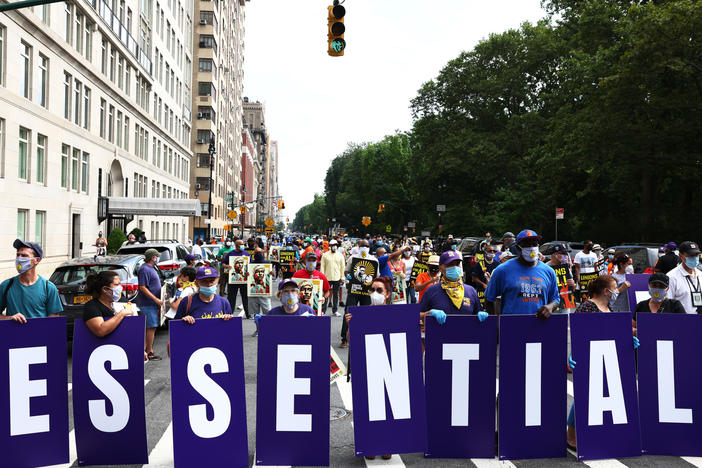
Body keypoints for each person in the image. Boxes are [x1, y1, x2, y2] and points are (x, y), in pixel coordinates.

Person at [567, 274, 639, 449]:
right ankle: (571, 436)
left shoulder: (609, 309)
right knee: (585, 395)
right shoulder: (587, 307)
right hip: (590, 356)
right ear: (606, 291)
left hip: (608, 357)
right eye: (614, 288)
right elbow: (579, 334)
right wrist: (573, 354)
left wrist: (628, 341)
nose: (617, 291)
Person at [343, 274, 397, 461]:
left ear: (388, 294)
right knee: (368, 407)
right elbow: (350, 341)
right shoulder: (359, 314)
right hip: (366, 365)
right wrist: (351, 325)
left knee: (388, 408)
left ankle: (387, 444)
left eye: (379, 290)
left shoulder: (396, 315)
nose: (375, 293)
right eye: (372, 290)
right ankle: (370, 444)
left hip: (389, 366)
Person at [484, 230, 559, 317]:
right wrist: (494, 324)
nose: (531, 247)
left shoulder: (549, 272)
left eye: (534, 244)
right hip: (512, 326)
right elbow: (489, 298)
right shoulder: (502, 270)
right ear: (518, 247)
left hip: (539, 325)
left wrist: (550, 307)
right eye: (526, 244)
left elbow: (555, 299)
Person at [0, 239, 62, 322]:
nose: (19, 258)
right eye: (18, 255)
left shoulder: (49, 288)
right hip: (14, 335)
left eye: (24, 255)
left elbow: (54, 322)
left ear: (37, 260)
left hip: (39, 334)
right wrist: (10, 318)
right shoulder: (6, 285)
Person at [420, 250, 484, 324]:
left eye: (457, 264)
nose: (454, 268)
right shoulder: (431, 291)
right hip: (440, 335)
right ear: (440, 268)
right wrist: (427, 314)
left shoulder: (471, 291)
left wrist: (482, 315)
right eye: (449, 265)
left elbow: (478, 312)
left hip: (466, 334)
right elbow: (417, 316)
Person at [137, 248, 163, 361]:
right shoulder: (144, 269)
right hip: (147, 303)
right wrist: (156, 299)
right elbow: (142, 287)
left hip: (152, 303)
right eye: (157, 256)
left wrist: (161, 295)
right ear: (153, 257)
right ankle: (148, 351)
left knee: (152, 327)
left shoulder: (151, 268)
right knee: (150, 327)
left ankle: (147, 350)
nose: (158, 258)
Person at [666, 241, 702, 314]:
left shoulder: (700, 274)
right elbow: (668, 305)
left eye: (697, 255)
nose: (694, 258)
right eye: (691, 255)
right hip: (682, 322)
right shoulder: (671, 277)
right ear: (681, 256)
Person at [222, 239, 252, 318]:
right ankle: (230, 313)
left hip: (244, 280)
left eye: (243, 244)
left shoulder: (247, 254)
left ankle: (248, 314)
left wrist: (249, 272)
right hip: (233, 280)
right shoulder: (230, 254)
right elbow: (223, 263)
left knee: (245, 297)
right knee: (231, 297)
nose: (243, 245)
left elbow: (251, 265)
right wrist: (226, 266)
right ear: (237, 245)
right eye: (242, 244)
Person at [546, 243, 576, 313]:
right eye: (563, 253)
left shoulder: (565, 268)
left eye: (566, 254)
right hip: (551, 306)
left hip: (565, 306)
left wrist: (573, 285)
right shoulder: (546, 268)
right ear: (555, 254)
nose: (565, 256)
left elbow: (573, 288)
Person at [321, 239, 346, 316]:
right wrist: (322, 277)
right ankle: (323, 310)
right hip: (327, 278)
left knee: (336, 295)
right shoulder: (325, 255)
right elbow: (322, 267)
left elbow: (343, 267)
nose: (334, 246)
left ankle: (335, 311)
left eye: (335, 245)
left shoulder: (340, 255)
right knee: (325, 294)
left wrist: (342, 277)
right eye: (333, 245)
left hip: (337, 278)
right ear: (330, 246)